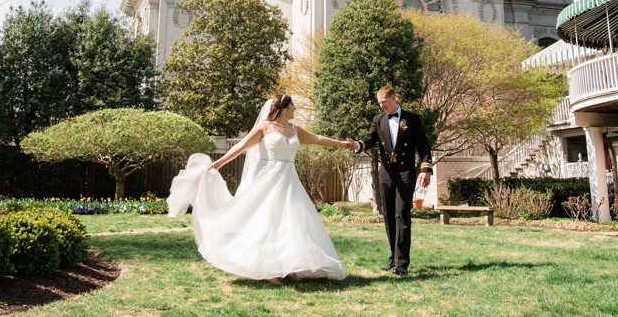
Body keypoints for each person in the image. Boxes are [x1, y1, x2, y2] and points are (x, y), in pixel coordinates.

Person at [167, 94, 356, 283]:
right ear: (283, 108)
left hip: (289, 180)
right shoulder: (264, 127)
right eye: (292, 105)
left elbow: (317, 138)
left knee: (291, 221)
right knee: (266, 220)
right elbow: (242, 146)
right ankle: (267, 269)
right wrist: (220, 162)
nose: (295, 108)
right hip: (266, 178)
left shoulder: (295, 129)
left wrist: (341, 144)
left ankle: (287, 265)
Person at [351, 84, 432, 276]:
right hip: (386, 173)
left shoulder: (412, 119)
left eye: (384, 102)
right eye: (379, 103)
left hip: (405, 173)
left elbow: (423, 146)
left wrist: (425, 169)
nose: (381, 106)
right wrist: (357, 145)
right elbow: (369, 139)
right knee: (388, 215)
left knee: (401, 214)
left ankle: (402, 263)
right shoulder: (378, 120)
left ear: (394, 98)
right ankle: (393, 258)